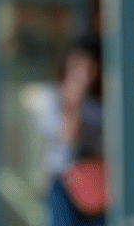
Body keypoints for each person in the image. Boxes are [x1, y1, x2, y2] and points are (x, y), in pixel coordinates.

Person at [45, 33, 106, 226]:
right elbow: (66, 139)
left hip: (96, 186)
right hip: (63, 184)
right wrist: (72, 104)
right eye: (76, 65)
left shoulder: (99, 105)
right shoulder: (53, 99)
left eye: (88, 67)